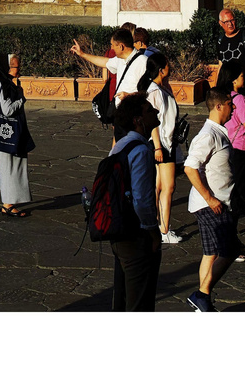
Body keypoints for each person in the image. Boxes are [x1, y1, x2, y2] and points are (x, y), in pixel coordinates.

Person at [184, 88, 239, 311]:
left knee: (210, 253)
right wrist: (211, 199)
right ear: (218, 106)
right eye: (229, 103)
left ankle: (202, 304)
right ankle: (202, 295)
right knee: (231, 250)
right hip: (211, 206)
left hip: (213, 203)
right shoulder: (208, 135)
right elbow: (190, 168)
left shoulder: (218, 132)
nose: (233, 107)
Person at [108, 97, 162, 311]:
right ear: (138, 119)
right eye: (150, 110)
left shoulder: (120, 145)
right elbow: (142, 200)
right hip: (135, 233)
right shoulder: (141, 151)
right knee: (139, 302)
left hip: (118, 228)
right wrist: (152, 232)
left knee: (121, 297)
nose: (156, 112)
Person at [138, 52, 185, 244]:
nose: (170, 67)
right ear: (161, 69)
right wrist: (158, 147)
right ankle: (164, 230)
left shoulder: (157, 88)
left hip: (164, 143)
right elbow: (154, 122)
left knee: (158, 187)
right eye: (167, 64)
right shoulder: (155, 92)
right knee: (168, 187)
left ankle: (157, 224)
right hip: (163, 144)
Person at [0, 52, 32, 216]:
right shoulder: (5, 85)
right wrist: (21, 99)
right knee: (10, 168)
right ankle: (8, 205)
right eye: (17, 67)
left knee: (7, 167)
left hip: (3, 135)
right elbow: (7, 109)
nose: (19, 70)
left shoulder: (5, 84)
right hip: (7, 135)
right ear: (8, 68)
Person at [217, 60, 245, 222]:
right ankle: (235, 214)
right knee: (240, 185)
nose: (244, 78)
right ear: (234, 79)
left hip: (228, 143)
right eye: (242, 76)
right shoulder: (239, 98)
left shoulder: (224, 97)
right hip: (241, 146)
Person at [72, 27, 150, 104]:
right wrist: (82, 54)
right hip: (120, 111)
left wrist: (130, 96)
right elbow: (104, 62)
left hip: (135, 112)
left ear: (121, 46)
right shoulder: (120, 59)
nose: (111, 49)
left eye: (113, 45)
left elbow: (151, 90)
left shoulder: (143, 62)